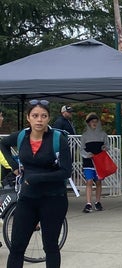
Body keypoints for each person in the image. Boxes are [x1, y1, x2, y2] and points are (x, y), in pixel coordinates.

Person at [0, 99, 71, 267]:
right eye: (35, 116)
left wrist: (36, 178)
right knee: (17, 247)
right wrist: (15, 166)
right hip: (27, 199)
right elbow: (3, 144)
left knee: (51, 247)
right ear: (28, 118)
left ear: (48, 118)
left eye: (43, 116)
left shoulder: (57, 139)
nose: (39, 119)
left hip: (53, 199)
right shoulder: (22, 136)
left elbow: (66, 172)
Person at [80, 113, 110, 213]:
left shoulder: (103, 134)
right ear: (88, 123)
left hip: (99, 162)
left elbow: (107, 146)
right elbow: (81, 150)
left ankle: (97, 202)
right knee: (89, 181)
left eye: (96, 122)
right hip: (88, 162)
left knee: (98, 182)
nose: (94, 124)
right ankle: (88, 203)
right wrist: (87, 154)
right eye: (92, 122)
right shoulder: (84, 136)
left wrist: (104, 148)